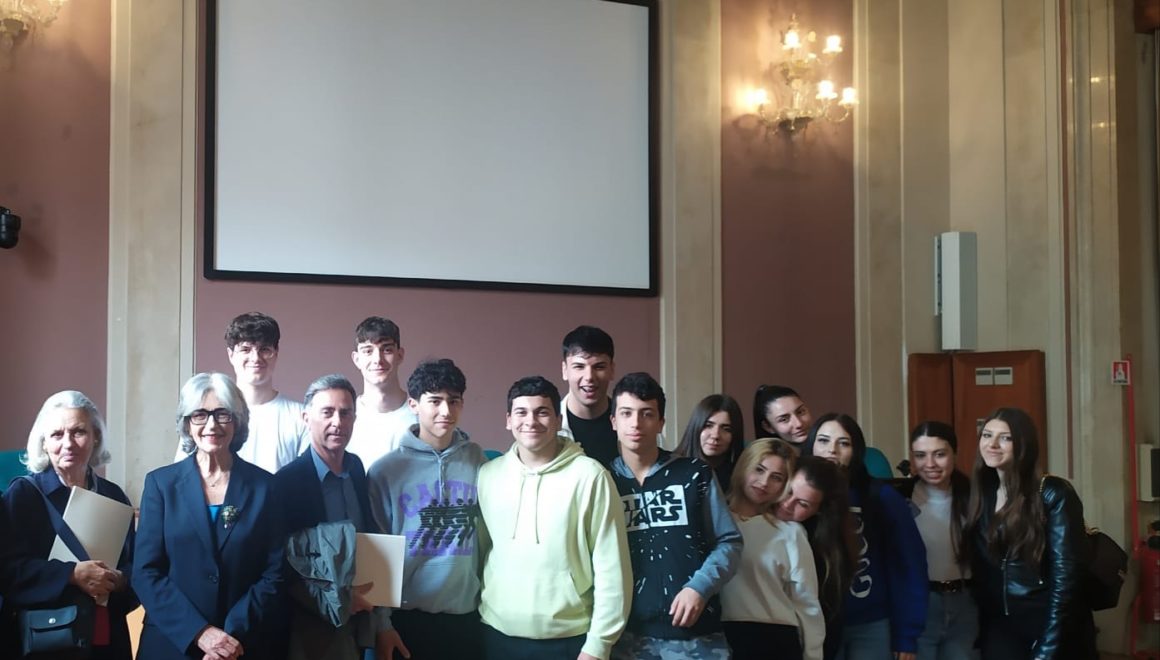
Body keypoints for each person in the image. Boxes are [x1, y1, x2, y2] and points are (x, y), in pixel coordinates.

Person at [477, 376, 631, 660]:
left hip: (569, 639)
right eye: (521, 412)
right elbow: (483, 550)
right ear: (508, 420)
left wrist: (599, 644)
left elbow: (612, 566)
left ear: (559, 420)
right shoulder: (488, 475)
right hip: (497, 632)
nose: (531, 421)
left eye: (542, 412)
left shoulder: (590, 476)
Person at [134, 373, 284, 660]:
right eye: (200, 415)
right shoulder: (160, 485)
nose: (211, 425)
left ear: (237, 420)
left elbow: (274, 573)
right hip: (173, 643)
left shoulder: (266, 487)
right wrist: (200, 633)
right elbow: (145, 572)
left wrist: (228, 638)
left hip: (242, 644)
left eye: (222, 414)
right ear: (187, 423)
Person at [607, 372, 742, 659]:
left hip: (696, 636)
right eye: (626, 413)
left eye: (647, 414)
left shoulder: (695, 473)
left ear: (661, 422)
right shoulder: (600, 480)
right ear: (613, 421)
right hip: (624, 636)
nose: (636, 423)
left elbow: (729, 542)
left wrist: (699, 588)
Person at [2, 391, 137, 660]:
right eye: (57, 434)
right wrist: (71, 574)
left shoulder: (113, 495)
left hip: (105, 640)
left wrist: (119, 580)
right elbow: (7, 571)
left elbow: (136, 566)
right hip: (43, 640)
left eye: (78, 432)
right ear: (43, 442)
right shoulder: (23, 495)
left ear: (96, 436)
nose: (68, 443)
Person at [366, 359, 485, 660]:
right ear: (413, 405)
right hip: (406, 620)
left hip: (465, 618)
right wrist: (382, 625)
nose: (446, 411)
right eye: (435, 401)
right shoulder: (386, 471)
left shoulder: (477, 461)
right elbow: (377, 554)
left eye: (453, 401)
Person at [274, 374, 389, 660]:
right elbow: (282, 564)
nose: (337, 422)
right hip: (312, 628)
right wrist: (342, 601)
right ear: (306, 418)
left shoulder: (356, 468)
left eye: (345, 413)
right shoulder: (286, 482)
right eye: (327, 412)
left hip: (362, 621)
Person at [966, 408, 1096, 660]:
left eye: (1005, 438)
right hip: (1001, 628)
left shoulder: (1053, 493)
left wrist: (1048, 647)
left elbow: (1067, 579)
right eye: (987, 435)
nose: (992, 444)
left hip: (1047, 625)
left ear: (1023, 444)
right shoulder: (983, 492)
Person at [803, 413, 928, 660]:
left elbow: (910, 565)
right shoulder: (796, 494)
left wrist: (906, 634)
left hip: (872, 624)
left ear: (856, 451)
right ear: (811, 445)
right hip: (815, 622)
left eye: (844, 443)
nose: (832, 450)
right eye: (823, 441)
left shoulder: (882, 497)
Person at [721, 439, 823, 660]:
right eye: (759, 469)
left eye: (776, 477)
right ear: (744, 465)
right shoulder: (714, 522)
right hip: (719, 637)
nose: (764, 482)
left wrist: (813, 655)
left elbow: (807, 602)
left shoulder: (790, 532)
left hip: (776, 640)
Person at [172, 312, 307, 473]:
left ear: (276, 353)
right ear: (231, 354)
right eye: (245, 349)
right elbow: (182, 475)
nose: (255, 358)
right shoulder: (203, 416)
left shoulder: (302, 417)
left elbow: (305, 480)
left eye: (264, 349)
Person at [898, 421, 976, 660]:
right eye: (921, 455)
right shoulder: (900, 498)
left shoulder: (975, 497)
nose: (930, 464)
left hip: (965, 603)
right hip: (919, 603)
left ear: (955, 454)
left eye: (940, 454)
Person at [775, 455, 857, 660]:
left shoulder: (825, 554)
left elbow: (825, 620)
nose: (787, 504)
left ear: (820, 511)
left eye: (803, 504)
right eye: (789, 491)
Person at [346, 316, 417, 472]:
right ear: (356, 359)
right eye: (368, 351)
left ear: (400, 355)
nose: (377, 359)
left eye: (387, 350)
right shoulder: (345, 418)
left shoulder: (420, 416)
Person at [558, 325, 620, 466]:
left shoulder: (634, 425)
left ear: (612, 370)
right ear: (565, 370)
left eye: (599, 367)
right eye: (579, 367)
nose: (589, 377)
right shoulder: (547, 428)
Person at [675, 394, 745, 492]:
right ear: (696, 426)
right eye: (708, 425)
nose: (715, 435)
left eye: (726, 429)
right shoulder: (671, 468)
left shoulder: (742, 475)